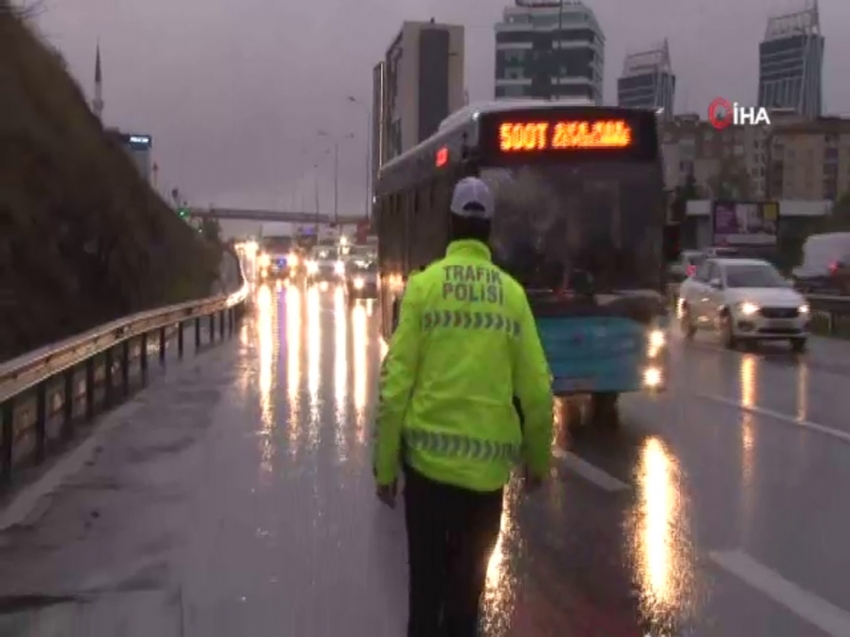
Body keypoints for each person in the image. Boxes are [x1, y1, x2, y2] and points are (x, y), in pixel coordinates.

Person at [373, 176, 554, 637]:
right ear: (488, 230)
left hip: (428, 477)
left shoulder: (423, 288)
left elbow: (395, 386)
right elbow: (536, 390)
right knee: (464, 603)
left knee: (424, 594)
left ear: (451, 226)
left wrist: (384, 467)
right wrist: (537, 462)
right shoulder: (512, 297)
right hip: (484, 484)